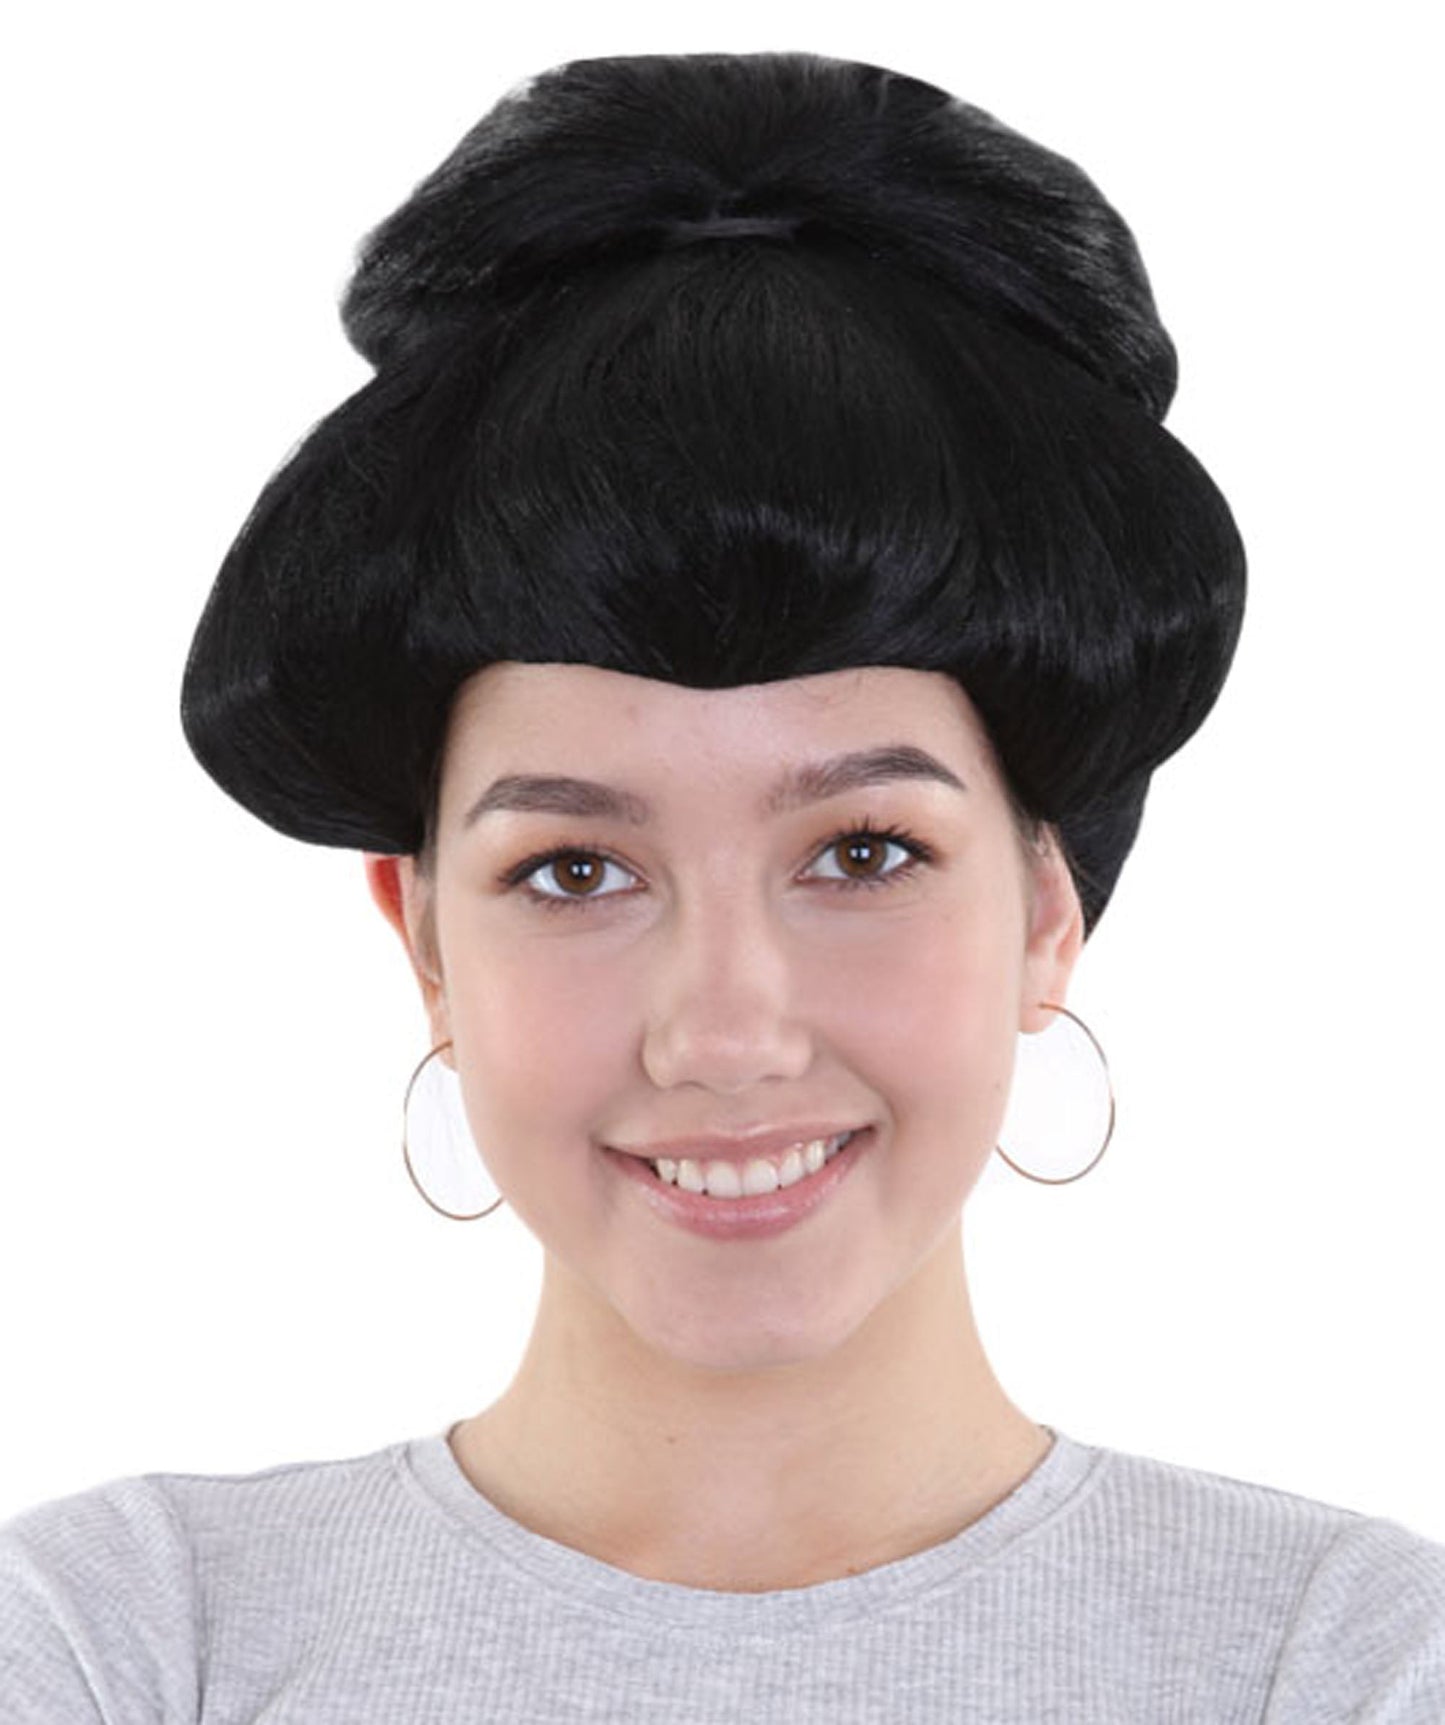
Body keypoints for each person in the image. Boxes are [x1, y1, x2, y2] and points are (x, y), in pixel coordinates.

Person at [2, 49, 1442, 1723]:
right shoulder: (121, 1642)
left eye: (863, 852)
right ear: (426, 944)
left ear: (1047, 911)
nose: (725, 1031)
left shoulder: (1342, 1663)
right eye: (576, 869)